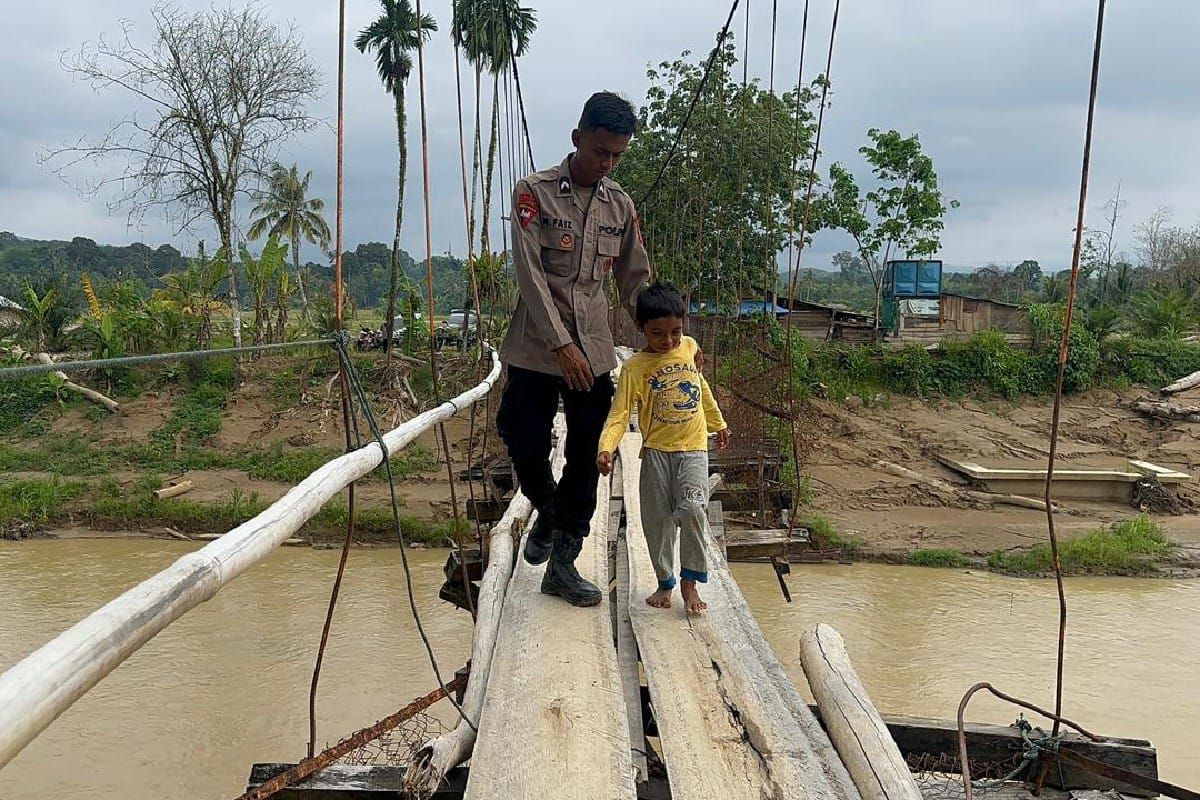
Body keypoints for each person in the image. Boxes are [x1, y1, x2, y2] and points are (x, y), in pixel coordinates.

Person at [497, 91, 652, 608]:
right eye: (600, 152)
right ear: (577, 138)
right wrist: (562, 344)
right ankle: (545, 507)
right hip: (536, 347)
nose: (606, 164)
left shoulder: (621, 206)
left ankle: (562, 563)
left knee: (590, 455)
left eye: (617, 156)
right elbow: (530, 274)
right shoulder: (533, 194)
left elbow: (635, 282)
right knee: (523, 439)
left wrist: (670, 343)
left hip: (597, 349)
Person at [596, 282, 730, 614]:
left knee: (694, 509)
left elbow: (702, 389)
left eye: (675, 332)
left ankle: (690, 583)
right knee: (656, 522)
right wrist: (606, 447)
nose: (668, 341)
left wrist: (718, 423)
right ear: (641, 328)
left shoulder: (689, 348)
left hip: (694, 448)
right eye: (657, 334)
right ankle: (664, 581)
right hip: (655, 451)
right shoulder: (634, 368)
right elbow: (620, 412)